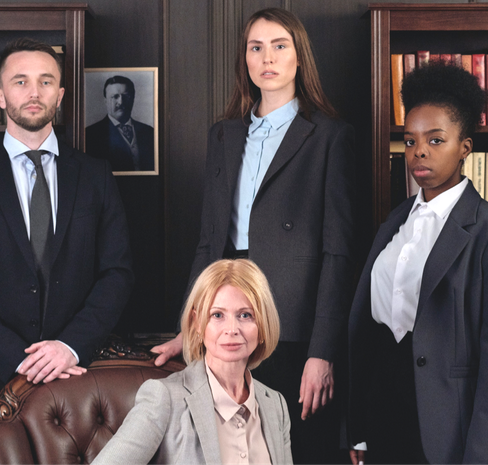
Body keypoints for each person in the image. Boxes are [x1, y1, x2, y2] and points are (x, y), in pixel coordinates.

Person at [149, 8, 355, 463]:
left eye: (280, 46)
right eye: (255, 47)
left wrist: (322, 353)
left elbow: (337, 254)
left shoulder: (328, 136)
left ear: (299, 57)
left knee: (295, 450)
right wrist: (191, 328)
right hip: (229, 317)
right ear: (245, 59)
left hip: (294, 325)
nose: (267, 58)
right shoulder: (223, 135)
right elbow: (208, 242)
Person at [347, 61, 488, 465]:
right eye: (410, 141)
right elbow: (367, 332)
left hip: (447, 426)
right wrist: (357, 427)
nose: (420, 151)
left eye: (436, 139)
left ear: (465, 146)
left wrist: (481, 455)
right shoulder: (393, 222)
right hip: (382, 414)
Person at [0, 38, 133, 403]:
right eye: (20, 81)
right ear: (0, 96)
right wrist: (20, 361)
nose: (34, 92)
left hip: (80, 371)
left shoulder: (96, 176)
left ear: (59, 96)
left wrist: (70, 346)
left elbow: (117, 273)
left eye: (45, 82)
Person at [93, 259, 291, 465]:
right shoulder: (164, 398)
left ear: (263, 323)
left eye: (245, 315)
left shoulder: (275, 404)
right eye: (217, 315)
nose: (232, 329)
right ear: (197, 322)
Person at [85, 75, 155, 171]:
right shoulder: (90, 134)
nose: (121, 102)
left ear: (133, 99)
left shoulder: (149, 132)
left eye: (126, 96)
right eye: (115, 97)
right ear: (105, 101)